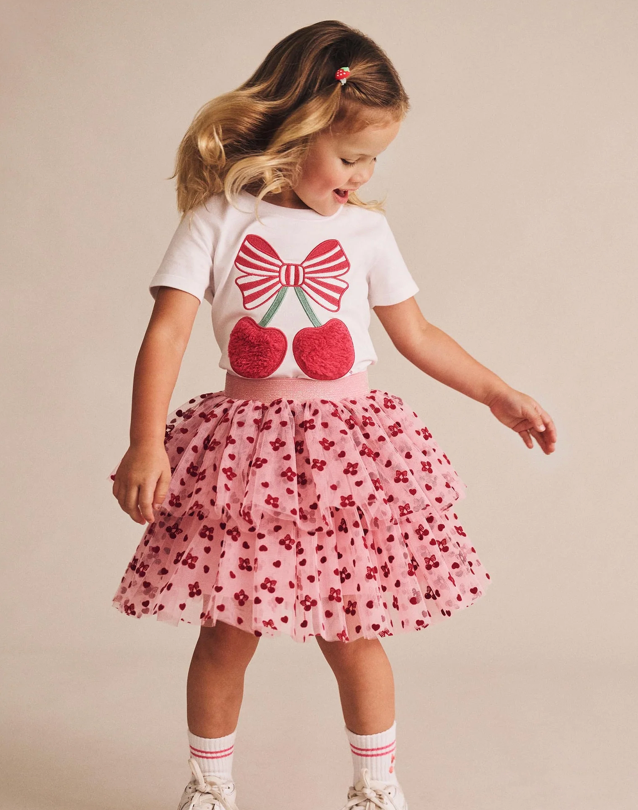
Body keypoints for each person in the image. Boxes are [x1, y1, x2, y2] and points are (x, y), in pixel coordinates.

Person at [108, 19, 557, 810]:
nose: (363, 174)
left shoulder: (366, 232)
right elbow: (169, 332)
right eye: (351, 156)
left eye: (374, 158)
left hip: (347, 459)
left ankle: (376, 787)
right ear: (298, 130)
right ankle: (210, 787)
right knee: (224, 632)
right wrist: (147, 443)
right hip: (244, 458)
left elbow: (415, 334)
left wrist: (497, 391)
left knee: (354, 631)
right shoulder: (217, 220)